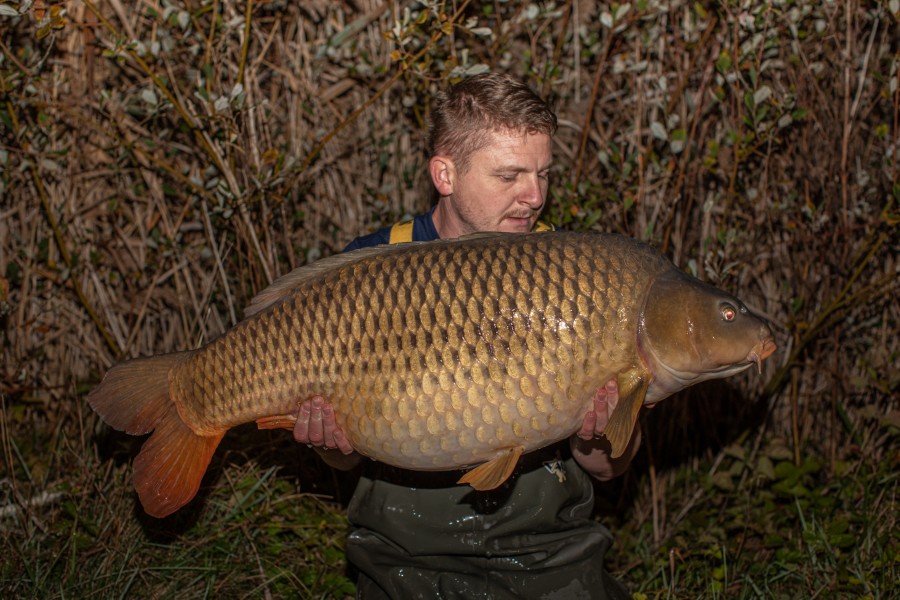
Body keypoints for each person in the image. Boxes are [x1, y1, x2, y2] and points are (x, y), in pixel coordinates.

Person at [294, 73, 640, 599]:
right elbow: (347, 457)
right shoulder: (370, 272)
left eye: (544, 174)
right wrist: (329, 443)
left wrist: (596, 429)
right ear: (445, 174)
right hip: (404, 559)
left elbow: (608, 468)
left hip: (548, 556)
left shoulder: (577, 277)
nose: (534, 196)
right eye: (509, 176)